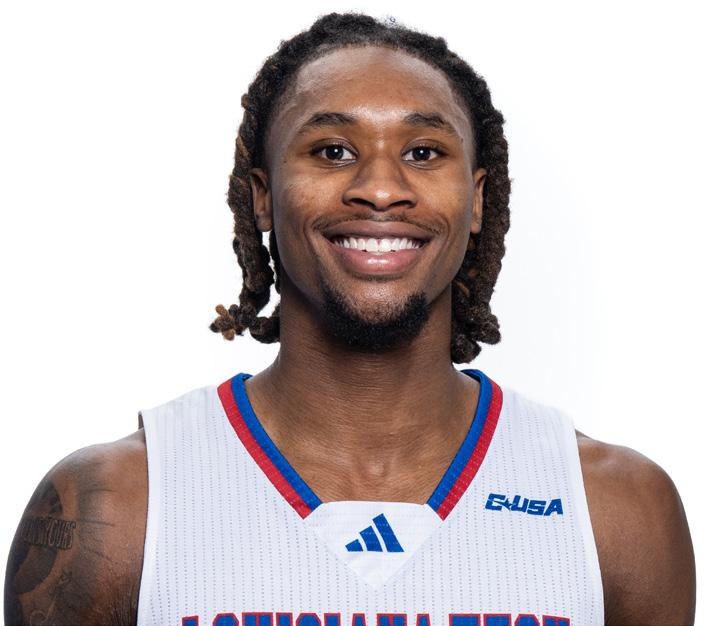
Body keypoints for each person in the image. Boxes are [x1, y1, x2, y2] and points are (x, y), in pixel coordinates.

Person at [4, 11, 696, 626]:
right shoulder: (119, 505)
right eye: (332, 151)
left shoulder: (615, 508)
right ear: (262, 196)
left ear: (477, 198)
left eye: (422, 153)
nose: (381, 189)